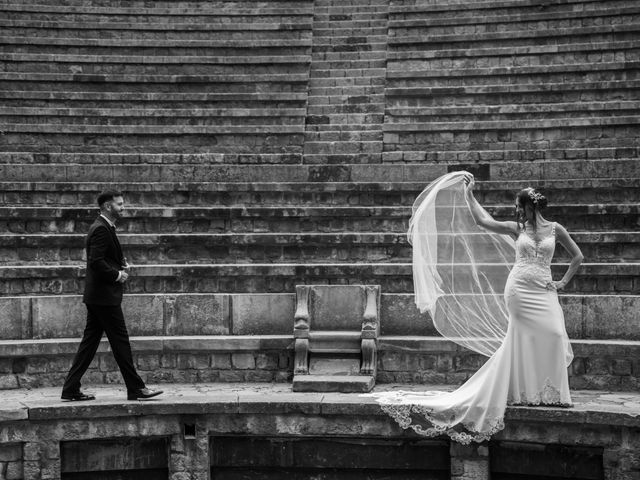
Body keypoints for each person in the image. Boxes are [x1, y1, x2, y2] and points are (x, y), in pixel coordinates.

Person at [368, 171, 583, 443]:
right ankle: (522, 394)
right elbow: (484, 221)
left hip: (544, 290)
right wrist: (469, 194)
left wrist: (562, 281)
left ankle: (554, 394)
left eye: (519, 206)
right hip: (518, 290)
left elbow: (577, 256)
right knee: (521, 338)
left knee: (552, 335)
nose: (516, 211)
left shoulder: (556, 229)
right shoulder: (517, 229)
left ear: (531, 206)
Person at [61, 190, 163, 401]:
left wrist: (120, 265)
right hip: (104, 298)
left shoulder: (104, 227)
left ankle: (70, 388)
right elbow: (96, 262)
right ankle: (136, 388)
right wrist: (117, 275)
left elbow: (102, 258)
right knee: (120, 341)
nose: (123, 207)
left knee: (89, 344)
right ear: (108, 206)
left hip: (98, 297)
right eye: (119, 204)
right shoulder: (101, 229)